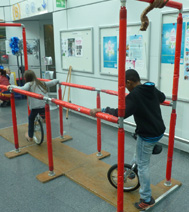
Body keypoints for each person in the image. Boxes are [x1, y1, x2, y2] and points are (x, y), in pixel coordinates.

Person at [90, 69, 166, 211]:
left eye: (125, 85)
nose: (125, 88)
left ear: (130, 82)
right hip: (159, 130)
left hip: (148, 134)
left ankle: (146, 199)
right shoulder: (150, 88)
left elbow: (121, 113)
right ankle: (130, 173)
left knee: (143, 166)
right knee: (140, 153)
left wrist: (102, 109)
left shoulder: (134, 95)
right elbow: (162, 97)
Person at [8, 70, 59, 142]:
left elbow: (21, 89)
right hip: (44, 104)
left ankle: (30, 136)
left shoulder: (29, 84)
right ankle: (44, 118)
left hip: (35, 106)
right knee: (42, 112)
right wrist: (57, 80)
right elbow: (51, 83)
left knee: (31, 118)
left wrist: (11, 86)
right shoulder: (41, 82)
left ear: (26, 78)